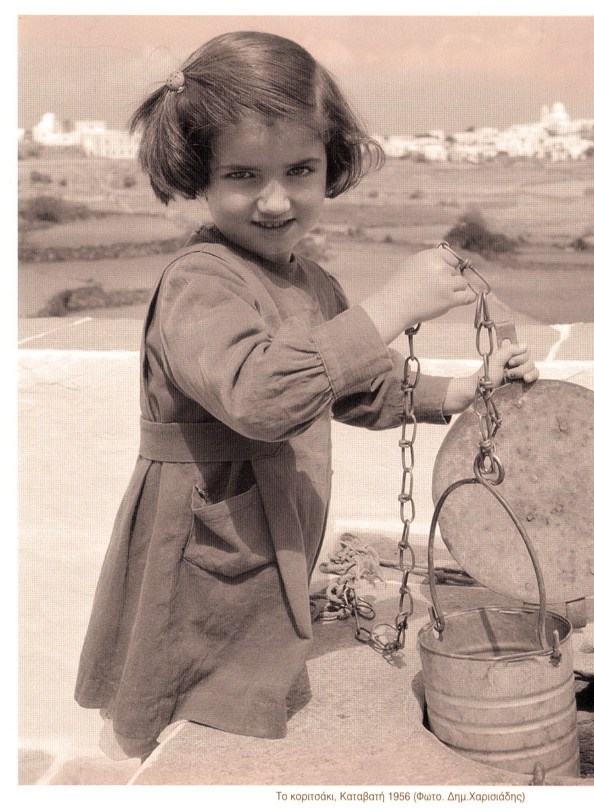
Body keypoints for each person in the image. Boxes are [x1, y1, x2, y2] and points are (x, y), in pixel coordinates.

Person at [74, 30, 539, 761]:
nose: (275, 199)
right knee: (166, 680)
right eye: (242, 175)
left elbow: (360, 384)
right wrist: (391, 306)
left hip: (268, 527)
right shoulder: (200, 281)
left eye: (300, 169)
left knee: (243, 666)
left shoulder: (311, 281)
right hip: (195, 538)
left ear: (331, 165)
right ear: (199, 176)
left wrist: (461, 389)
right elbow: (261, 398)